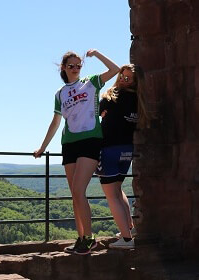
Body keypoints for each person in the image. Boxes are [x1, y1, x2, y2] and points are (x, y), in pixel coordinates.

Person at [34, 49, 119, 255]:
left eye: (78, 66)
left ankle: (89, 239)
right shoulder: (60, 93)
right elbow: (55, 122)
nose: (75, 69)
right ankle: (81, 238)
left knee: (79, 191)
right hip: (69, 143)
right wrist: (43, 147)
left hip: (90, 140)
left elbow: (115, 69)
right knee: (75, 194)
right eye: (70, 66)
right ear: (63, 68)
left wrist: (96, 53)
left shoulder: (91, 82)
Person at [95, 64, 149, 249]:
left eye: (129, 78)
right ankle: (128, 229)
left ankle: (126, 240)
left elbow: (97, 112)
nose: (124, 80)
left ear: (135, 81)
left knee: (111, 196)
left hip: (109, 148)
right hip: (127, 150)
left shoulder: (114, 96)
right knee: (118, 190)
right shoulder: (138, 100)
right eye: (123, 76)